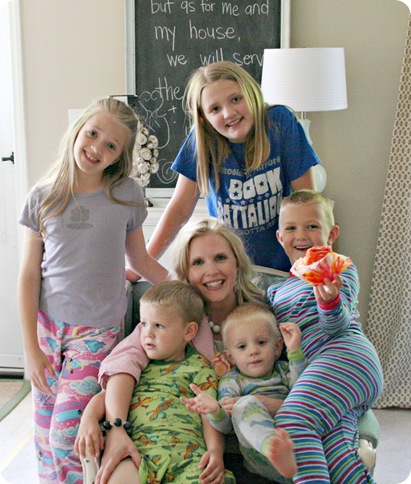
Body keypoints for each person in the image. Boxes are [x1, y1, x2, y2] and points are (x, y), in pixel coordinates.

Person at [17, 98, 169, 484]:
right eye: (93, 134)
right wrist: (30, 349)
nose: (97, 147)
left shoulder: (126, 194)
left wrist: (185, 289)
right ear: (78, 130)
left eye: (111, 145)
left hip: (97, 332)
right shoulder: (43, 195)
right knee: (44, 436)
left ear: (120, 156)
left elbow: (140, 259)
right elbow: (29, 275)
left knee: (66, 436)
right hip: (47, 329)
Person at [77, 217, 270, 483]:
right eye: (198, 262)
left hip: (227, 447)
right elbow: (124, 367)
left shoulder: (260, 316)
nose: (211, 270)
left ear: (237, 263)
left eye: (220, 258)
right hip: (154, 442)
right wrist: (112, 427)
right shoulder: (169, 320)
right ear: (186, 273)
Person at [144, 60, 320, 273]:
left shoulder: (280, 122)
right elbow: (179, 210)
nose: (228, 113)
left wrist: (320, 265)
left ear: (251, 93)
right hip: (230, 272)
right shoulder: (201, 140)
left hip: (286, 269)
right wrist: (142, 264)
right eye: (215, 109)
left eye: (236, 99)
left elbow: (308, 200)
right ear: (204, 118)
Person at [267, 190, 384, 482]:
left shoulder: (337, 267)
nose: (301, 235)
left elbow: (337, 326)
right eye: (291, 228)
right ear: (280, 237)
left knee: (293, 421)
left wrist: (330, 301)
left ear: (331, 234)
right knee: (338, 456)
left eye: (312, 226)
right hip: (322, 376)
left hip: (347, 357)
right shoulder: (275, 291)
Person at [78, 280, 235, 484]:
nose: (147, 334)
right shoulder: (138, 365)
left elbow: (208, 413)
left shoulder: (200, 367)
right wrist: (88, 419)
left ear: (189, 331)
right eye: (144, 324)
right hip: (138, 454)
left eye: (158, 326)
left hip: (188, 457)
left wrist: (215, 451)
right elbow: (106, 396)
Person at [181, 303, 308, 482]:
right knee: (244, 404)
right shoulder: (231, 382)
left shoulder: (285, 370)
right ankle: (272, 447)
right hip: (260, 459)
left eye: (261, 342)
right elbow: (226, 426)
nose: (253, 351)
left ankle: (286, 456)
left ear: (278, 347)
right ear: (230, 357)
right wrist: (215, 410)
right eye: (242, 347)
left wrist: (295, 352)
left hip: (296, 444)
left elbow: (305, 394)